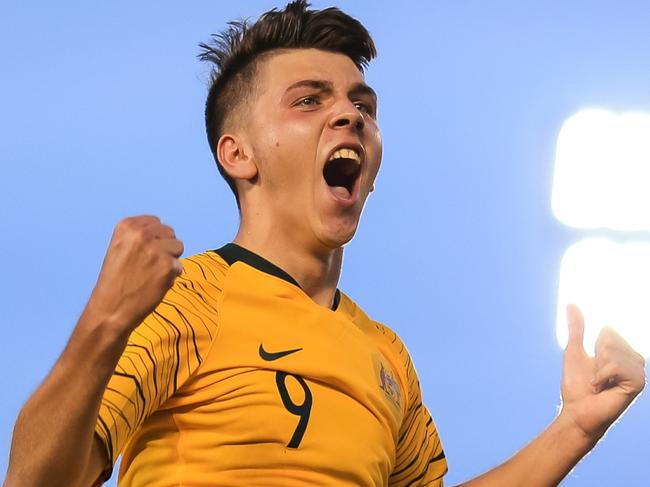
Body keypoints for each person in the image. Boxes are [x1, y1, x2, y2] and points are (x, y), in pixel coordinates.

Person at [4, 1, 646, 486]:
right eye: (308, 101)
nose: (350, 114)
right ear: (239, 154)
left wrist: (576, 425)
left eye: (361, 103)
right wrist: (104, 321)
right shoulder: (193, 299)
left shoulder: (386, 355)